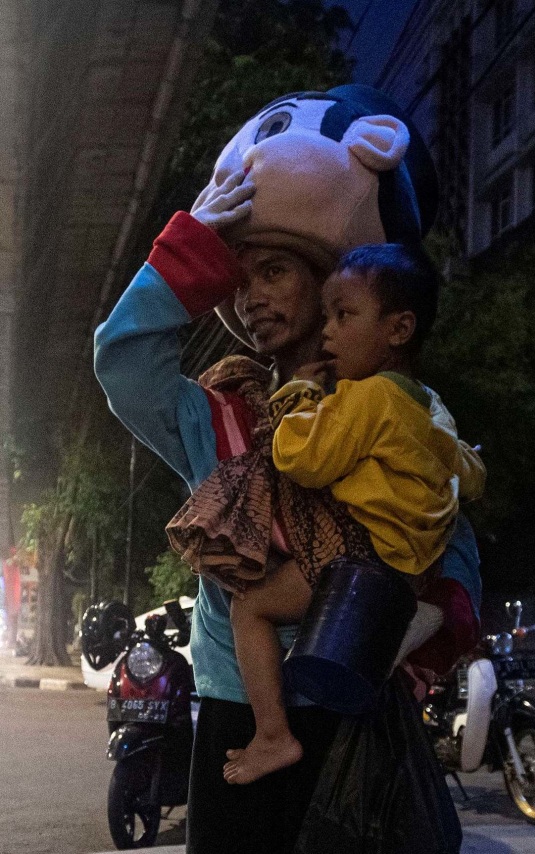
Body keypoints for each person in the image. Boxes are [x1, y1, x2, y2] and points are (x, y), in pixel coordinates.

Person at [95, 84, 482, 854]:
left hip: (355, 714)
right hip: (238, 714)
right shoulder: (222, 416)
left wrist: (404, 639)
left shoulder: (395, 413)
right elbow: (124, 361)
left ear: (334, 280)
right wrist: (191, 250)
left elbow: (455, 546)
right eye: (238, 278)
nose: (252, 297)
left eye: (274, 270)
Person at [201, 243, 485, 786]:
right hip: (409, 563)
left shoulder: (369, 397)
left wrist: (300, 395)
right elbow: (470, 475)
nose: (328, 331)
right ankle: (414, 624)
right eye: (327, 314)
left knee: (251, 609)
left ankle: (271, 736)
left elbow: (300, 460)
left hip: (356, 554)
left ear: (398, 329)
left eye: (345, 315)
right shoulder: (428, 405)